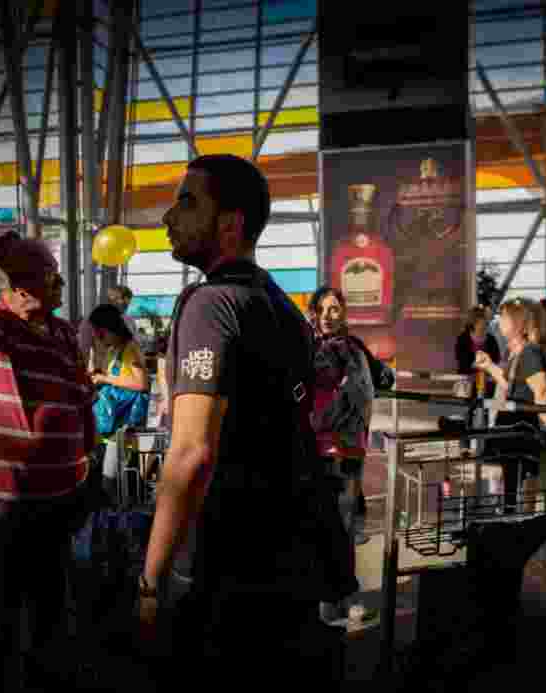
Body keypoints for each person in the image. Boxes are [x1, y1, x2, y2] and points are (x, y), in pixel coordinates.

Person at [137, 154, 341, 686]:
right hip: (292, 560)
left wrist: (150, 580)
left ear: (231, 222)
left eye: (186, 202)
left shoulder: (209, 304)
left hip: (227, 567)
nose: (168, 217)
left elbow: (191, 453)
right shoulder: (284, 308)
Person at [0, 230, 97, 691]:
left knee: (52, 598)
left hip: (61, 490)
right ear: (23, 284)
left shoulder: (64, 331)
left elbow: (78, 395)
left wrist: (84, 452)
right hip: (2, 496)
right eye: (53, 277)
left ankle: (48, 677)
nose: (62, 286)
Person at [308, 286, 376, 623]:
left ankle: (347, 595)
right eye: (321, 309)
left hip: (347, 446)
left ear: (344, 311)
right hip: (313, 449)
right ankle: (324, 594)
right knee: (319, 523)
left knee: (346, 523)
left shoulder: (354, 349)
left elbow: (365, 390)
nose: (327, 316)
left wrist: (321, 419)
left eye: (334, 308)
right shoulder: (304, 349)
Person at [473, 298, 546, 514]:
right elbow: (510, 384)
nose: (499, 322)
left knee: (524, 478)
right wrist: (489, 366)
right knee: (511, 476)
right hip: (512, 425)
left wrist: (545, 428)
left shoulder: (529, 353)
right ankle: (510, 515)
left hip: (523, 425)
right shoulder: (515, 352)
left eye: (504, 318)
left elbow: (541, 390)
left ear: (517, 323)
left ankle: (522, 520)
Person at [87, 302, 150, 502]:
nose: (97, 337)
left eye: (100, 333)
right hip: (112, 425)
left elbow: (141, 383)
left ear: (111, 328)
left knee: (111, 480)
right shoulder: (114, 350)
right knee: (108, 478)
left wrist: (105, 378)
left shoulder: (130, 349)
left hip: (124, 426)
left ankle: (117, 520)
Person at [78, 285, 138, 371]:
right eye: (123, 300)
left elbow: (133, 347)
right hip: (102, 372)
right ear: (111, 300)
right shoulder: (90, 320)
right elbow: (84, 352)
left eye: (128, 301)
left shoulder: (129, 321)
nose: (127, 304)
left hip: (124, 372)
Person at [456, 305, 502, 398]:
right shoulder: (463, 338)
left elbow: (496, 360)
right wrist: (480, 365)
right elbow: (462, 360)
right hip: (468, 384)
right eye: (483, 319)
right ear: (474, 321)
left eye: (486, 319)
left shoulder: (491, 339)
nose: (486, 321)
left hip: (488, 384)